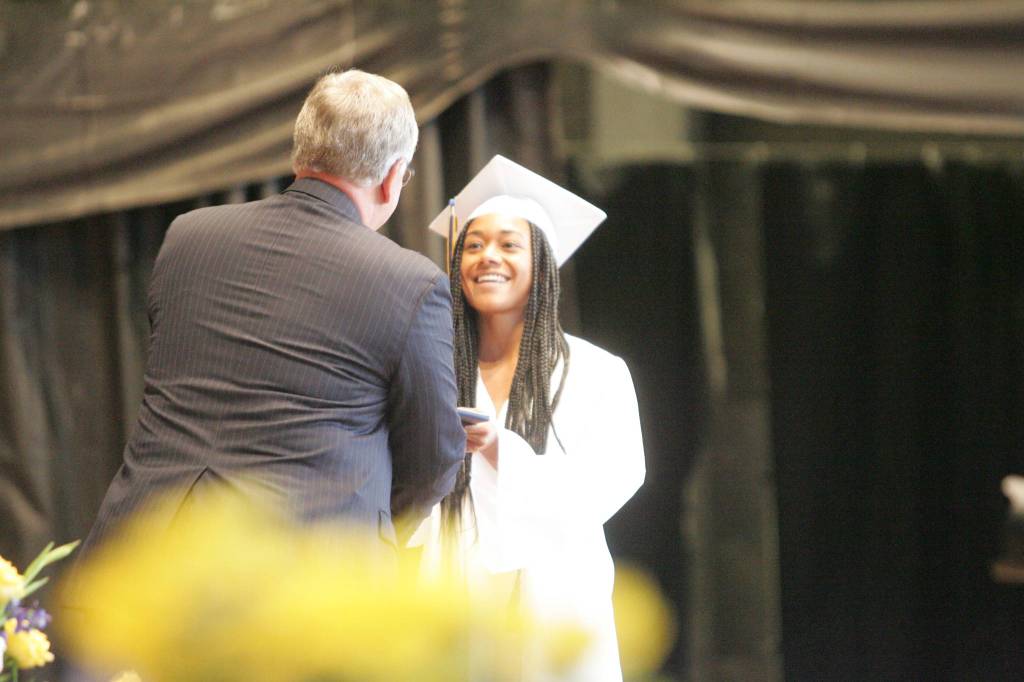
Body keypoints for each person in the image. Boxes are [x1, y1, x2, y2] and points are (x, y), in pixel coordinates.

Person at [82, 70, 466, 563]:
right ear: (393, 177)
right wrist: (367, 524)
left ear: (299, 155)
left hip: (142, 560)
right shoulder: (410, 282)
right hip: (294, 582)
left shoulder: (188, 237)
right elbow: (435, 457)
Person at [414, 155, 646, 681]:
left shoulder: (596, 372)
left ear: (542, 263)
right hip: (454, 598)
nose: (487, 257)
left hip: (556, 605)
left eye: (508, 244)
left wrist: (503, 453)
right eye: (474, 245)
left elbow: (612, 483)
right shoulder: (435, 369)